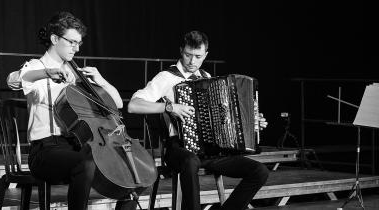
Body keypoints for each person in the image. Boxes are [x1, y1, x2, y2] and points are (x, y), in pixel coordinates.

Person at [128, 30, 270, 210]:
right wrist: (170, 107)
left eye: (198, 56)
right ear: (181, 51)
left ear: (206, 55)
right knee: (191, 161)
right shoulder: (166, 78)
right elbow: (133, 105)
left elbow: (225, 118)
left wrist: (251, 122)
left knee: (260, 171)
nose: (192, 61)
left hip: (211, 151)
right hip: (177, 150)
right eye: (188, 55)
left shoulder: (207, 78)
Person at [16, 11, 135, 210]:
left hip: (76, 145)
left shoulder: (75, 72)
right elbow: (14, 79)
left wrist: (100, 80)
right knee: (86, 163)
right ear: (54, 38)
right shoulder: (37, 66)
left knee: (128, 168)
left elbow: (117, 104)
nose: (76, 48)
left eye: (78, 43)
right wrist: (49, 72)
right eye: (72, 42)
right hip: (46, 151)